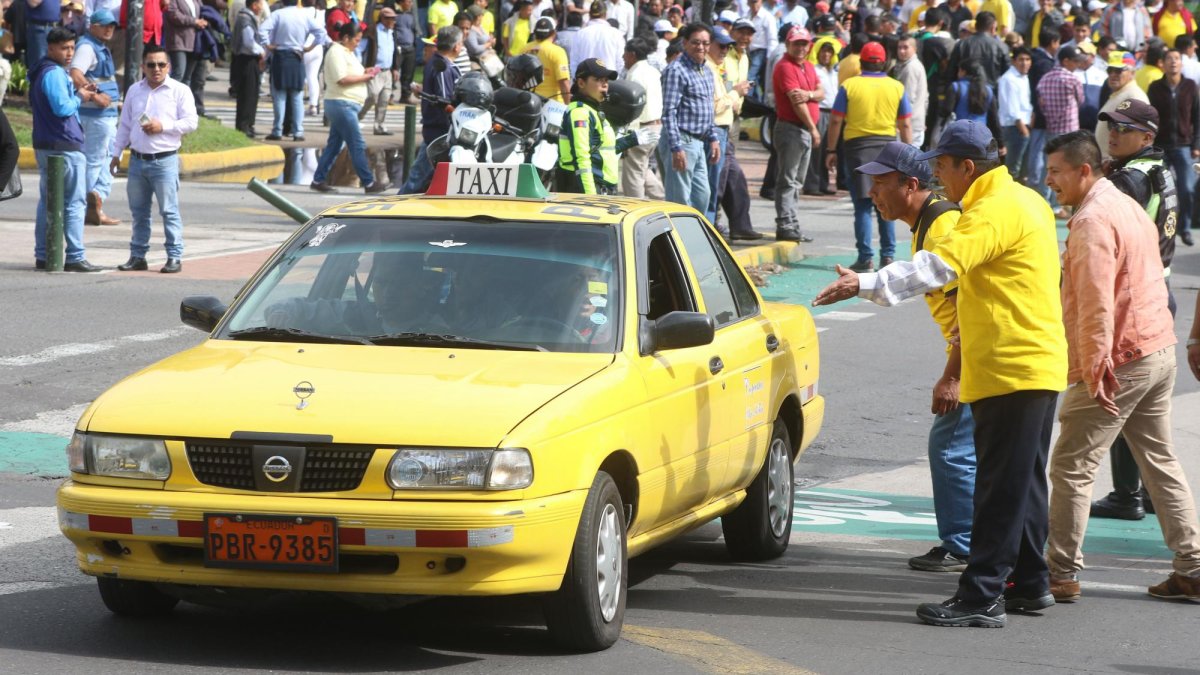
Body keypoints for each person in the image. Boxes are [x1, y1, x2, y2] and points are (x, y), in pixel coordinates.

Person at [813, 119, 1067, 628]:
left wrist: (866, 282)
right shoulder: (1025, 199)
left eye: (943, 167)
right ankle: (1029, 582)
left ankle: (982, 595)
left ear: (967, 167)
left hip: (1008, 362)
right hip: (1032, 360)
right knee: (1021, 483)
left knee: (998, 488)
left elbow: (940, 267)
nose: (938, 179)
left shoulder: (990, 211)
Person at [1042, 129, 1200, 604]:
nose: (1049, 181)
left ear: (1083, 170)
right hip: (1155, 347)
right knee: (1159, 460)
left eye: (1055, 172)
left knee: (1071, 465)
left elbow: (1095, 304)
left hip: (1122, 357)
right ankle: (1192, 566)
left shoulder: (1093, 219)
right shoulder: (1125, 204)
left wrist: (1094, 367)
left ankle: (1060, 572)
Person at [857, 141, 975, 573]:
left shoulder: (941, 226)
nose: (872, 193)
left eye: (880, 183)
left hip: (979, 357)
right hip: (982, 354)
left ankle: (965, 545)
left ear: (909, 185)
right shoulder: (927, 222)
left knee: (950, 448)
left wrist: (953, 376)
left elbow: (968, 310)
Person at [1090, 99, 1179, 521]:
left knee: (1121, 398)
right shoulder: (1159, 167)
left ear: (1147, 136)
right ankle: (1143, 493)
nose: (1114, 134)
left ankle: (1128, 495)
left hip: (1136, 294)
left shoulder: (1129, 179)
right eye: (1111, 125)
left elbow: (1105, 230)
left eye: (1124, 129)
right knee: (1145, 409)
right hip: (1159, 288)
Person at [109, 44, 196, 274]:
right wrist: (116, 154)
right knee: (139, 213)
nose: (156, 69)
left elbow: (191, 122)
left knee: (169, 211)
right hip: (137, 161)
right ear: (143, 67)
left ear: (168, 66)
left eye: (161, 64)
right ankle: (138, 256)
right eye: (151, 65)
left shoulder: (180, 91)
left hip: (164, 161)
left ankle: (174, 256)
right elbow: (125, 125)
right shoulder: (134, 90)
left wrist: (163, 126)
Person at [825, 40, 912, 271]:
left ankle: (865, 258)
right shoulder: (896, 87)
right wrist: (909, 154)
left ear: (861, 62)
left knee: (863, 205)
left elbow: (836, 120)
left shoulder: (849, 85)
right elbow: (905, 123)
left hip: (857, 149)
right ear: (884, 63)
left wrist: (831, 149)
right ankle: (888, 256)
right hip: (888, 149)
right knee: (887, 203)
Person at [31, 26, 103, 272]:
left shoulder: (43, 70)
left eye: (72, 47)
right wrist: (80, 96)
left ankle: (44, 254)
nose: (70, 53)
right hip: (63, 145)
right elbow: (62, 108)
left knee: (49, 201)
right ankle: (74, 255)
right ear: (51, 48)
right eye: (64, 48)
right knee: (74, 202)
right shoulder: (53, 73)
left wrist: (77, 92)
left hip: (48, 143)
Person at [309, 23, 388, 195]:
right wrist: (366, 77)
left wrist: (366, 71)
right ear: (345, 38)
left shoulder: (346, 52)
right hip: (341, 104)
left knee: (334, 145)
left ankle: (318, 180)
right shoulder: (336, 52)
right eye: (356, 40)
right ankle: (368, 182)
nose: (358, 44)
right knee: (356, 144)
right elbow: (342, 79)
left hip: (344, 104)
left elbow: (351, 73)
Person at [556, 57, 643, 194]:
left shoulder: (592, 110)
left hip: (602, 187)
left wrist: (631, 139)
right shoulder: (580, 113)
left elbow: (602, 150)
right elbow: (581, 159)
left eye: (606, 80)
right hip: (588, 190)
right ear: (581, 83)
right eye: (598, 79)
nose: (605, 84)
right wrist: (592, 198)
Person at [659, 22, 720, 214]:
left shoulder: (706, 70)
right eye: (695, 42)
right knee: (679, 202)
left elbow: (708, 107)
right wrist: (676, 148)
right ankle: (676, 234)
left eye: (705, 43)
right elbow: (669, 112)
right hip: (681, 140)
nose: (701, 47)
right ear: (685, 43)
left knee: (702, 197)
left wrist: (713, 137)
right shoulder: (676, 70)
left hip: (699, 142)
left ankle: (691, 233)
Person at [70, 9, 121, 227]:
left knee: (110, 158)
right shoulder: (87, 47)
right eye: (104, 25)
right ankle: (82, 207)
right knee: (94, 161)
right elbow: (75, 73)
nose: (109, 29)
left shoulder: (98, 46)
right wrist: (96, 95)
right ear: (93, 26)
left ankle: (96, 202)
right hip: (96, 117)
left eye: (112, 25)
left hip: (105, 116)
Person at [772, 26, 821, 243]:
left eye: (804, 43)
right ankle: (785, 223)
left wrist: (809, 94)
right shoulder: (785, 67)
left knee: (797, 180)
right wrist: (813, 128)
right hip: (791, 128)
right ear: (787, 44)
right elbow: (796, 101)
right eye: (796, 43)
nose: (801, 47)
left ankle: (792, 222)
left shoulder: (808, 66)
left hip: (802, 130)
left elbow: (822, 92)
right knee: (788, 179)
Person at [398, 25, 461, 194]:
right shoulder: (442, 66)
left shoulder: (439, 63)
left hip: (439, 128)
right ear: (456, 46)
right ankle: (398, 205)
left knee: (431, 177)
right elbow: (444, 99)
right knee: (417, 178)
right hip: (439, 129)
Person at [1147, 49, 1199, 246]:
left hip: (1184, 145)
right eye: (1169, 59)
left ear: (1181, 63)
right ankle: (1161, 230)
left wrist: (1196, 144)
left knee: (1187, 189)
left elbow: (1197, 116)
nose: (1173, 62)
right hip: (1161, 145)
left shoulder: (1190, 86)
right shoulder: (1155, 87)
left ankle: (1185, 228)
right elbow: (1151, 118)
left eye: (1177, 58)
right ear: (1162, 63)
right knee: (1161, 191)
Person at [258, 1, 328, 142]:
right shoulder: (305, 15)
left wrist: (268, 45)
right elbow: (321, 32)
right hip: (297, 56)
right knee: (297, 96)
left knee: (279, 95)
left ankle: (277, 130)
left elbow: (262, 30)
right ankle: (298, 132)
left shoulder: (278, 14)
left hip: (280, 56)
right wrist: (310, 47)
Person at [620, 37, 663, 199]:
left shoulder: (634, 74)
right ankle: (662, 199)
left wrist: (627, 137)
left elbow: (633, 108)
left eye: (625, 53)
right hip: (656, 127)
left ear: (632, 54)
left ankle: (635, 207)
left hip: (641, 128)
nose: (623, 57)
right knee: (642, 169)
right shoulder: (654, 71)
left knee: (633, 177)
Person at [1096, 51, 1149, 159]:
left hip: (1117, 163)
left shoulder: (1134, 96)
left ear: (1132, 73)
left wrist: (1119, 163)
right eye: (1110, 70)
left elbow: (1138, 138)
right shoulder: (1120, 93)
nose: (1112, 74)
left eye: (1118, 70)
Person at [357, 7, 396, 136]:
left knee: (384, 99)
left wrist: (395, 68)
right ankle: (357, 117)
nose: (393, 21)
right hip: (375, 70)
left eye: (394, 19)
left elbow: (394, 51)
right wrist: (361, 67)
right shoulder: (372, 31)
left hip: (387, 71)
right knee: (372, 96)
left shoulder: (392, 32)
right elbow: (360, 49)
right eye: (391, 19)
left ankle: (379, 126)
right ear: (383, 18)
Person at [230, 0, 265, 137]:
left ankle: (248, 124)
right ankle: (244, 126)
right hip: (247, 60)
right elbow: (249, 42)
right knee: (247, 94)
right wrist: (261, 51)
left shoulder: (246, 17)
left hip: (248, 60)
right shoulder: (245, 19)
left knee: (251, 94)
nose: (262, 7)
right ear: (254, 5)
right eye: (260, 4)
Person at [946, 10, 1009, 85]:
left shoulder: (962, 44)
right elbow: (1007, 74)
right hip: (991, 89)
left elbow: (951, 72)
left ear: (975, 26)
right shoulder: (1002, 47)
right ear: (993, 28)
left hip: (965, 89)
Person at [999, 46, 1033, 181]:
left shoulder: (1023, 77)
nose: (1024, 63)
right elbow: (1011, 108)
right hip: (1015, 127)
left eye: (1027, 59)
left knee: (1022, 169)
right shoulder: (1009, 78)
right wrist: (1023, 129)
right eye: (1021, 59)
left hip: (1024, 126)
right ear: (1014, 61)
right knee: (1012, 169)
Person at [568, 0, 623, 80]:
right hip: (609, 81)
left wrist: (578, 82)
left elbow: (574, 63)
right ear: (606, 14)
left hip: (586, 82)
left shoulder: (579, 34)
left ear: (589, 14)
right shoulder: (616, 34)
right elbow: (620, 63)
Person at [891, 34, 927, 148]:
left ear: (914, 49)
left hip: (909, 125)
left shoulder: (910, 68)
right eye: (899, 47)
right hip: (916, 123)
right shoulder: (912, 65)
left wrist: (901, 124)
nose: (901, 51)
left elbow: (908, 99)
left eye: (905, 47)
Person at [524, 15, 570, 103]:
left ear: (535, 32)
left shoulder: (524, 49)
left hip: (529, 102)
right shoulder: (557, 52)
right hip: (553, 104)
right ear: (553, 33)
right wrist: (568, 106)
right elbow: (563, 82)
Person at [164, 0, 207, 86]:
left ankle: (184, 95)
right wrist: (195, 21)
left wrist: (203, 21)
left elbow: (203, 11)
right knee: (178, 74)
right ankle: (170, 94)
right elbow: (174, 16)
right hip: (178, 42)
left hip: (194, 43)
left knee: (187, 78)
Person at [393, 0, 420, 105]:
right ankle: (389, 95)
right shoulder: (394, 14)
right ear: (401, 3)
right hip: (398, 47)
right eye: (408, 2)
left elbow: (415, 30)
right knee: (394, 72)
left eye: (411, 2)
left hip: (410, 47)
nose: (410, 4)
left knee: (408, 73)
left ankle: (405, 96)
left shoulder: (412, 15)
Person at [23, 0, 61, 75]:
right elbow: (33, 3)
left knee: (53, 61)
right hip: (40, 28)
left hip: (54, 28)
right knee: (39, 63)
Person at [300, 0, 324, 116]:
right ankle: (313, 106)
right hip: (317, 47)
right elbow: (323, 32)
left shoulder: (299, 12)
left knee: (300, 77)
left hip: (303, 47)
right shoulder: (320, 13)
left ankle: (298, 105)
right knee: (313, 77)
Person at [747, 0, 777, 93]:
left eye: (755, 2)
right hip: (749, 52)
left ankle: (748, 97)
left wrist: (770, 57)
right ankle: (755, 99)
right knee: (756, 80)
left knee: (750, 77)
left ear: (761, 2)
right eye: (751, 2)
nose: (754, 4)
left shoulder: (767, 17)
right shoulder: (747, 16)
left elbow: (772, 38)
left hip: (761, 52)